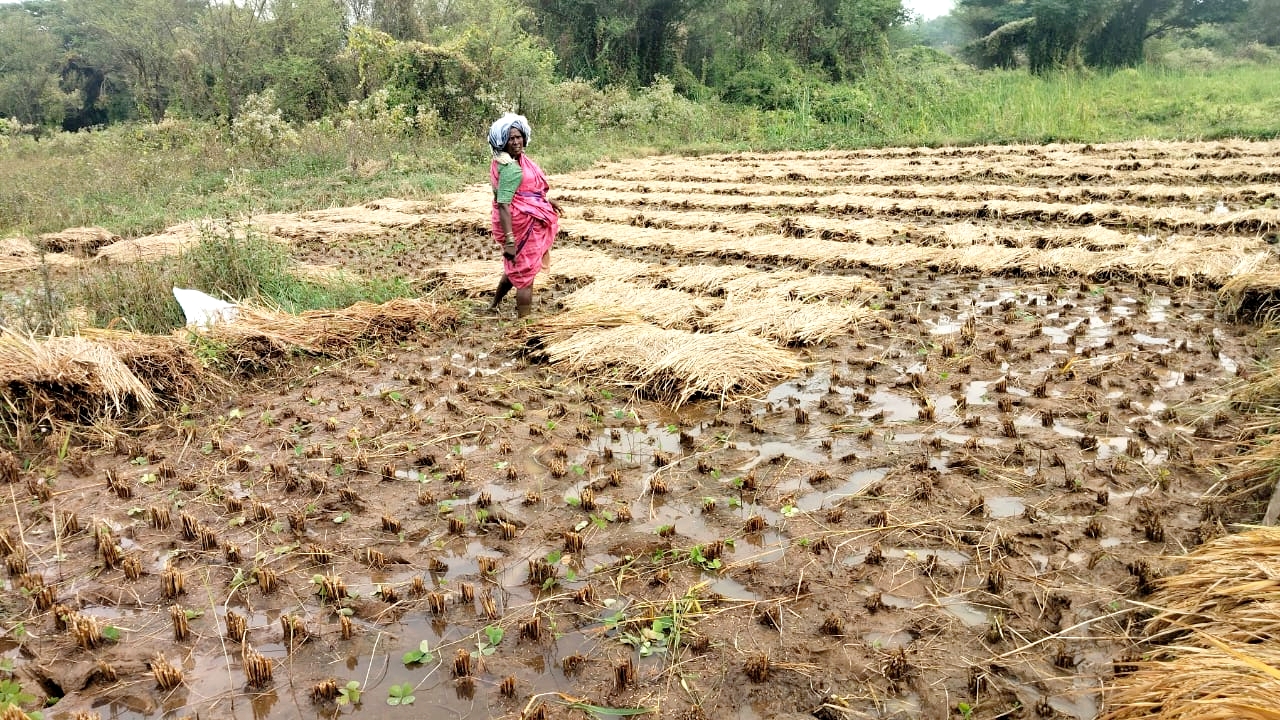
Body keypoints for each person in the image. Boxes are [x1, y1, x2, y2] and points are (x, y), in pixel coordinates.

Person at [486, 112, 562, 318]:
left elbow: (526, 192)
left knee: (514, 267)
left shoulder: (513, 161)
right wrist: (510, 240)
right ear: (502, 141)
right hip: (518, 224)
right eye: (510, 138)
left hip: (524, 218)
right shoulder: (510, 168)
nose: (516, 141)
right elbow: (503, 204)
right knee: (526, 277)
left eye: (518, 136)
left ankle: (493, 305)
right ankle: (524, 324)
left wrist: (545, 201)